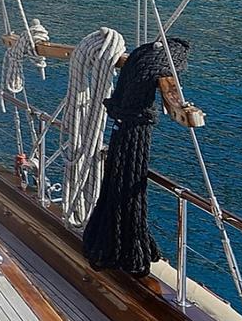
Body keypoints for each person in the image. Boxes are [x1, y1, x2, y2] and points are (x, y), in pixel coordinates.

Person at [80, 35, 204, 278]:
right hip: (128, 121)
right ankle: (120, 243)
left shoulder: (142, 63)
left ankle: (119, 243)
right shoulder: (140, 61)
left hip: (129, 123)